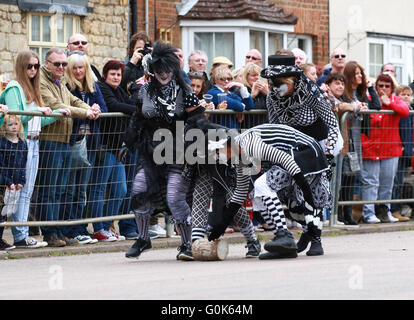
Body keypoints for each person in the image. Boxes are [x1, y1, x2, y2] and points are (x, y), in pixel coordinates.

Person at [123, 41, 203, 260]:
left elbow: (199, 123)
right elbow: (136, 120)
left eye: (167, 71)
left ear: (173, 70)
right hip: (151, 152)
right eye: (159, 71)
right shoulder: (145, 92)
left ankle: (188, 244)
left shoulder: (186, 93)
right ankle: (142, 238)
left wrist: (192, 150)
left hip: (178, 153)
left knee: (175, 198)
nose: (163, 75)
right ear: (153, 71)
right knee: (139, 190)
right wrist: (127, 143)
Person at [206, 123, 331, 259]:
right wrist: (222, 225)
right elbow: (241, 192)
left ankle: (284, 236)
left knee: (262, 184)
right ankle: (284, 243)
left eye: (217, 153)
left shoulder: (248, 143)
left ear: (225, 146)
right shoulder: (239, 154)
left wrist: (305, 189)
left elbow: (285, 159)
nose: (217, 158)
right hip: (295, 153)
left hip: (305, 150)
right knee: (257, 195)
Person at [261, 54, 343, 255]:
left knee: (313, 189)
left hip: (320, 143)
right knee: (291, 192)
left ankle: (316, 239)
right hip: (294, 145)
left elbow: (332, 125)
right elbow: (275, 127)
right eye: (272, 82)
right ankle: (303, 231)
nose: (274, 87)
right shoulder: (272, 96)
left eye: (279, 83)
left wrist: (328, 152)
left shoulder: (312, 93)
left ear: (292, 80)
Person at [37, 47, 100, 247]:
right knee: (49, 189)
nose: (62, 67)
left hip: (65, 141)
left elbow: (72, 100)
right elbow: (56, 105)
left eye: (64, 64)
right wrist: (86, 113)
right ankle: (49, 233)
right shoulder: (42, 81)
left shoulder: (60, 82)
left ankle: (59, 230)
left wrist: (89, 108)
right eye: (57, 64)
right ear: (47, 64)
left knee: (60, 190)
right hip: (51, 141)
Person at [0, 50, 62, 248]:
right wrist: (37, 110)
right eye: (30, 66)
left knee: (27, 191)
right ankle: (20, 234)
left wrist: (58, 113)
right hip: (18, 145)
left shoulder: (33, 90)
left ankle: (22, 233)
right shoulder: (14, 88)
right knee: (17, 191)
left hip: (33, 142)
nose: (34, 70)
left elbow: (38, 121)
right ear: (21, 67)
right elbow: (16, 119)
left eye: (36, 66)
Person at [86, 60, 137, 242]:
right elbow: (114, 106)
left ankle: (106, 225)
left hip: (118, 149)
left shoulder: (119, 90)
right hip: (105, 146)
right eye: (113, 74)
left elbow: (129, 102)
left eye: (118, 74)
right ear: (105, 75)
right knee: (99, 188)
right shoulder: (102, 88)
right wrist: (138, 111)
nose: (116, 77)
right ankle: (98, 227)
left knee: (120, 189)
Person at [62, 52, 108, 244]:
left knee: (83, 189)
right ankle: (70, 228)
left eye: (81, 67)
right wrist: (87, 113)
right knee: (70, 188)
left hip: (90, 143)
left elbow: (105, 110)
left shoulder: (93, 87)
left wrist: (96, 110)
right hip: (73, 141)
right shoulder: (66, 87)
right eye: (75, 68)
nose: (79, 71)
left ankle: (81, 227)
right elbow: (69, 111)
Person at [360, 74, 409, 223]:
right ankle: (368, 213)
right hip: (371, 149)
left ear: (392, 88)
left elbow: (405, 111)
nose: (383, 89)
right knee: (371, 183)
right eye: (380, 85)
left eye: (387, 86)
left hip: (390, 149)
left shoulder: (395, 101)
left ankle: (384, 212)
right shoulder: (369, 101)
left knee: (387, 184)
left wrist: (389, 103)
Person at [342, 61, 382, 223]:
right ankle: (340, 213)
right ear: (350, 75)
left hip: (357, 138)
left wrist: (370, 87)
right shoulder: (345, 93)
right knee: (344, 177)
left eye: (361, 73)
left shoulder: (361, 92)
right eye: (356, 74)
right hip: (347, 136)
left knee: (352, 175)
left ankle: (349, 213)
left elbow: (377, 106)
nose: (359, 76)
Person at [324, 72, 363, 225]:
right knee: (328, 183)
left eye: (342, 83)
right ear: (328, 85)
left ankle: (333, 216)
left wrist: (354, 107)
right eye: (336, 83)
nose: (340, 86)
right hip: (328, 148)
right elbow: (337, 107)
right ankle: (326, 217)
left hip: (341, 148)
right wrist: (354, 106)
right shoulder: (327, 97)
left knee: (336, 185)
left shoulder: (340, 99)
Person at [390, 85, 413, 222]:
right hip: (399, 150)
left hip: (406, 151)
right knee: (396, 182)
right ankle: (393, 210)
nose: (406, 97)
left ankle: (396, 209)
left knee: (399, 182)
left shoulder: (410, 111)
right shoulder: (400, 111)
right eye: (402, 94)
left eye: (408, 95)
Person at [207, 64, 253, 129]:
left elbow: (249, 105)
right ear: (215, 80)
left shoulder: (231, 94)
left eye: (229, 79)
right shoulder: (212, 92)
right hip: (218, 132)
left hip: (232, 132)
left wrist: (242, 87)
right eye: (222, 79)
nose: (226, 81)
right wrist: (241, 106)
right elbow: (237, 105)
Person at [0, 115, 27, 224]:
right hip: (4, 182)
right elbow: (1, 165)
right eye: (10, 124)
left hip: (16, 184)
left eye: (16, 124)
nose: (13, 127)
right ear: (4, 127)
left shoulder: (23, 143)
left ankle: (1, 239)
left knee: (7, 211)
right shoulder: (2, 142)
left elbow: (24, 164)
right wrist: (8, 182)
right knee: (1, 208)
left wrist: (21, 181)